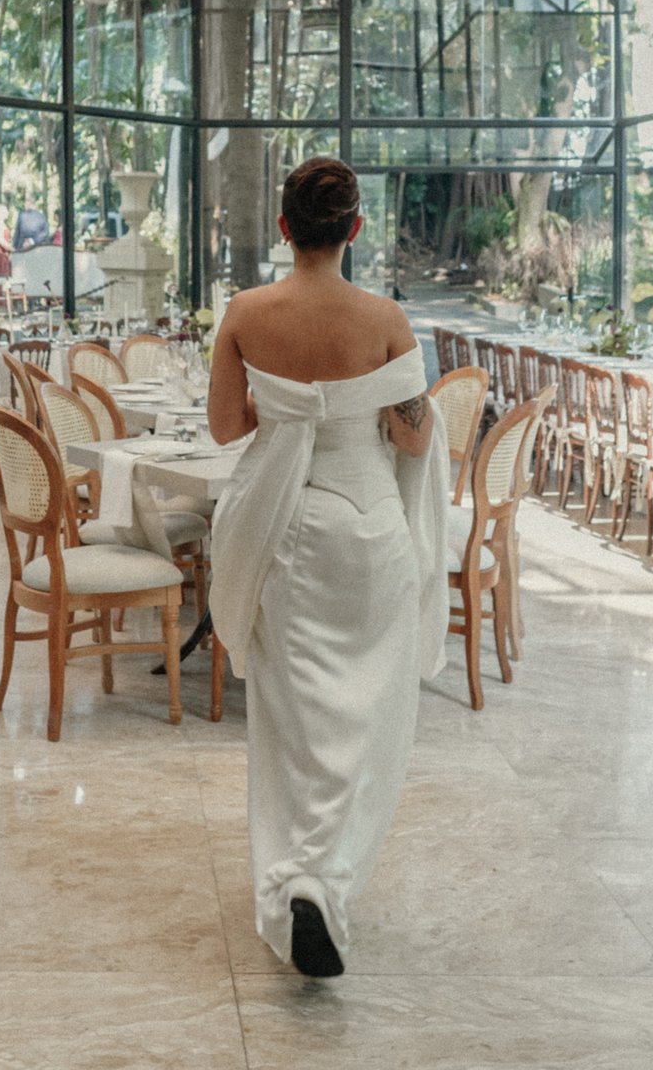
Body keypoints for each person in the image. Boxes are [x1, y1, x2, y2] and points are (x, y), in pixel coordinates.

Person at [207, 157, 449, 981]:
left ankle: (295, 876)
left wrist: (286, 408)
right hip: (369, 529)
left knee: (290, 718)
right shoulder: (383, 317)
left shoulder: (245, 311)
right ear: (353, 228)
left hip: (283, 529)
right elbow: (415, 435)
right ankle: (325, 875)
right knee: (368, 712)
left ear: (283, 228)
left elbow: (221, 427)